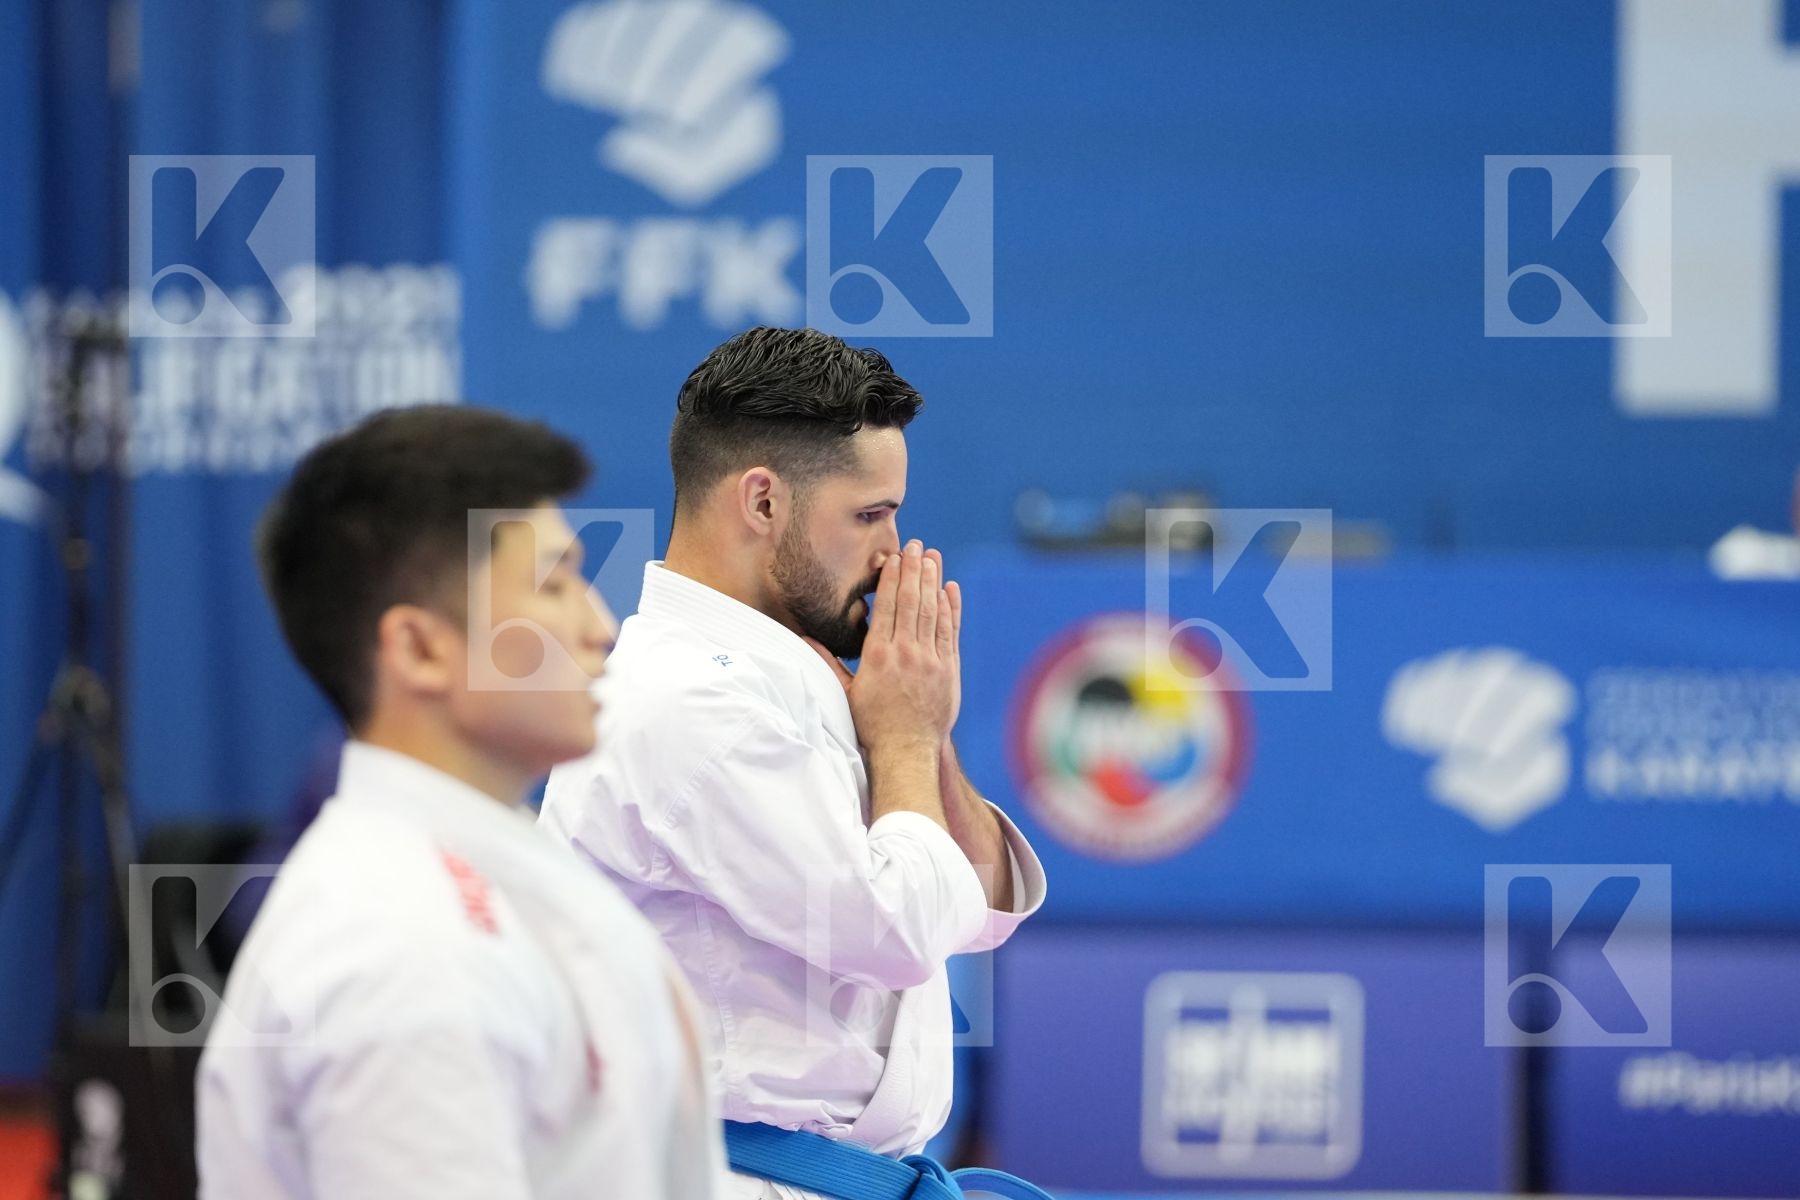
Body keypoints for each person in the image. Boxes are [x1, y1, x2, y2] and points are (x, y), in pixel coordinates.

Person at [540, 328, 1048, 1200]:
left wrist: (918, 723)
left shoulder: (796, 677)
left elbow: (976, 910)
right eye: (869, 515)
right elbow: (896, 930)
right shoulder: (684, 702)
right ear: (764, 503)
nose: (894, 549)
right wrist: (900, 738)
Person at [196, 405, 723, 1200]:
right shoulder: (396, 942)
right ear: (419, 647)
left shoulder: (490, 880)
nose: (600, 626)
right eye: (553, 585)